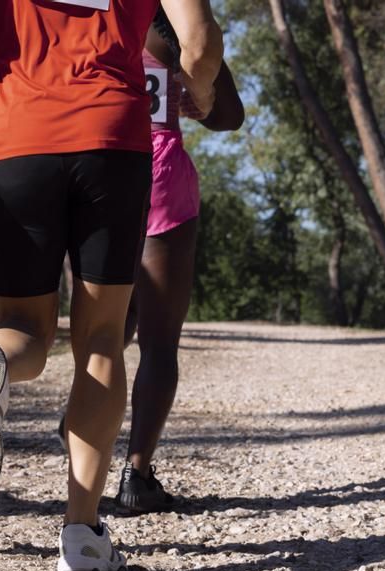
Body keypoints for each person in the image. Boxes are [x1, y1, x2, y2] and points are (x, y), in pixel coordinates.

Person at [0, 0, 223, 571]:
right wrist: (202, 94)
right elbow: (202, 43)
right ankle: (82, 533)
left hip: (20, 136)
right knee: (102, 340)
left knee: (24, 328)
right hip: (113, 138)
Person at [114, 11, 244, 514]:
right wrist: (201, 100)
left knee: (108, 323)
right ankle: (137, 476)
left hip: (100, 171)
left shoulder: (89, 15)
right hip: (161, 175)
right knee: (159, 339)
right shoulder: (172, 26)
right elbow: (230, 114)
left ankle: (78, 436)